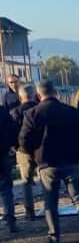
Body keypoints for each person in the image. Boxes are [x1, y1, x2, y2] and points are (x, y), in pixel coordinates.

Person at [19, 78, 79, 243]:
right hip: (71, 161)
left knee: (50, 202)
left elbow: (23, 141)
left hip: (47, 164)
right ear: (55, 92)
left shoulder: (33, 114)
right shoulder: (71, 112)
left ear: (38, 95)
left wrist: (35, 156)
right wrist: (78, 154)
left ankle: (54, 237)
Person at [11, 84, 39, 220]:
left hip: (23, 151)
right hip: (41, 149)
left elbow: (13, 132)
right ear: (34, 95)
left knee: (26, 181)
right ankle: (50, 207)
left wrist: (16, 147)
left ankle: (30, 211)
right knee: (47, 179)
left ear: (20, 96)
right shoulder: (40, 109)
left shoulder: (15, 112)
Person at [0, 100, 17, 234]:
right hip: (3, 153)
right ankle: (11, 220)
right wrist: (12, 146)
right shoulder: (3, 111)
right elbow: (12, 130)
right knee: (6, 188)